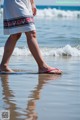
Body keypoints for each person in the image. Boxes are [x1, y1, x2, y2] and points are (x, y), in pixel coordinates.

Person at [0, 0, 62, 74]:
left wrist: (32, 3)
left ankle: (3, 66)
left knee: (15, 34)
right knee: (31, 33)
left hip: (26, 2)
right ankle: (42, 66)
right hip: (15, 1)